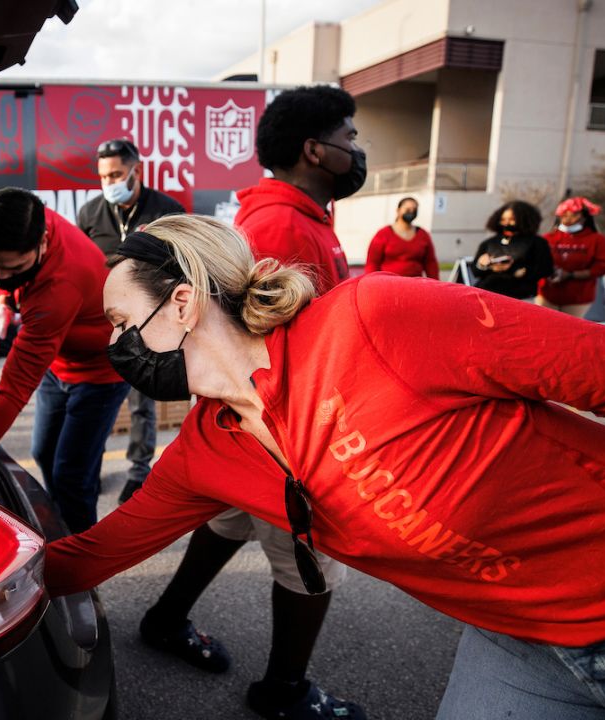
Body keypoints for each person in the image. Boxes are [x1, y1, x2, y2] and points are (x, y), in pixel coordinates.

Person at [47, 213, 605, 720]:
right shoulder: (205, 453)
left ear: (182, 304)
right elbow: (91, 557)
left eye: (123, 324)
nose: (114, 347)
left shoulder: (374, 318)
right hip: (521, 641)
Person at [136, 84, 367, 720]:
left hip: (265, 425)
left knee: (227, 522)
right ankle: (285, 693)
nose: (357, 148)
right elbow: (255, 341)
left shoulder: (300, 218)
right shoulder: (278, 225)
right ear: (315, 150)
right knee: (310, 564)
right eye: (349, 136)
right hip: (280, 429)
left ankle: (163, 619)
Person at [0, 188, 130, 534]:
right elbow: (11, 277)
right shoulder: (25, 216)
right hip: (59, 364)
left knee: (71, 477)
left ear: (44, 243)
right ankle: (60, 527)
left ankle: (81, 566)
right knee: (44, 453)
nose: (2, 276)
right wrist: (4, 302)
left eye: (14, 268)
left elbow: (15, 387)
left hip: (99, 375)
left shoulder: (59, 286)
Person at [77, 138, 185, 504]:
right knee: (95, 400)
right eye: (104, 176)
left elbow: (183, 265)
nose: (109, 182)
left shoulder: (166, 211)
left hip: (147, 323)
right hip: (99, 322)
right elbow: (80, 264)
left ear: (136, 170)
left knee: (141, 402)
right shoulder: (90, 213)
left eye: (117, 174)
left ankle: (139, 472)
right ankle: (88, 471)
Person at [538, 196, 605, 318]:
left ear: (585, 217)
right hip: (547, 294)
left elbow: (602, 267)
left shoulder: (598, 240)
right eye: (564, 214)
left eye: (573, 215)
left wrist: (571, 274)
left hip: (578, 297)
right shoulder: (547, 238)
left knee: (569, 331)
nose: (568, 219)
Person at [471, 201, 554, 300]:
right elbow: (475, 271)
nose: (506, 223)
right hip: (488, 292)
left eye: (512, 219)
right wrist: (484, 266)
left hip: (520, 295)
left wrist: (518, 271)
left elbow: (546, 269)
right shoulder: (489, 243)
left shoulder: (537, 242)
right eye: (503, 219)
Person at [365, 196, 440, 278]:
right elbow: (372, 263)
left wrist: (436, 283)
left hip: (415, 284)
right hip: (388, 283)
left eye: (414, 209)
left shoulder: (423, 235)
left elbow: (430, 263)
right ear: (398, 210)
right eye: (408, 209)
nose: (411, 211)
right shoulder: (383, 234)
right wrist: (372, 282)